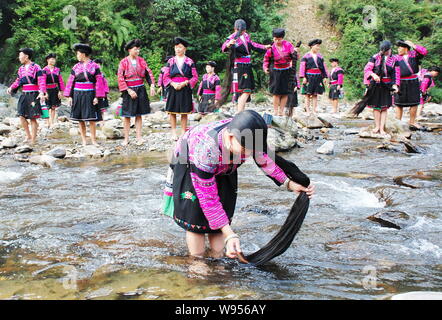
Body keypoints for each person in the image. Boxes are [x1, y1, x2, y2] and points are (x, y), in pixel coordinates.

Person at [163, 110, 315, 259]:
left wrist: (288, 183)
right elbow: (208, 199)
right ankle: (196, 260)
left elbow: (264, 160)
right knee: (196, 219)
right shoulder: (205, 150)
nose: (248, 155)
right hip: (191, 162)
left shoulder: (248, 137)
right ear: (230, 137)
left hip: (225, 165)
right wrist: (229, 234)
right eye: (244, 150)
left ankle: (217, 256)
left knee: (222, 215)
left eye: (251, 150)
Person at [222, 19, 270, 113]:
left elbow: (253, 45)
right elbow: (224, 47)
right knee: (245, 90)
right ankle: (239, 112)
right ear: (235, 29)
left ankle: (241, 111)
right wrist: (228, 44)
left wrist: (264, 47)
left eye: (244, 30)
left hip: (247, 65)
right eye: (241, 30)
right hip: (239, 65)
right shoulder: (232, 37)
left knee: (246, 90)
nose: (243, 32)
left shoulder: (246, 36)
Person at [64, 43, 106, 146]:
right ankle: (83, 140)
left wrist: (97, 96)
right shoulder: (76, 67)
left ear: (83, 54)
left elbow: (99, 82)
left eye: (78, 54)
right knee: (80, 119)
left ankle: (93, 140)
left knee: (91, 119)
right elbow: (70, 82)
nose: (77, 56)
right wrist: (70, 96)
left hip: (90, 94)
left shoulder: (95, 66)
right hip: (77, 93)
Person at [117, 39, 156, 146]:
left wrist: (152, 85)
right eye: (135, 49)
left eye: (138, 49)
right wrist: (128, 90)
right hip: (128, 90)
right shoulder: (123, 62)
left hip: (140, 89)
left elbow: (148, 73)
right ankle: (126, 138)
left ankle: (139, 137)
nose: (137, 51)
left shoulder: (142, 61)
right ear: (129, 50)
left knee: (139, 115)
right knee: (127, 115)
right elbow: (120, 78)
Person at [7, 48, 46, 145]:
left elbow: (41, 81)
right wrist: (11, 87)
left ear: (26, 56)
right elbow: (18, 81)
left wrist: (42, 92)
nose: (19, 58)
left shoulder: (36, 67)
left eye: (20, 55)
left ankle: (33, 139)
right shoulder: (21, 69)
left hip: (34, 95)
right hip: (24, 94)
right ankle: (28, 135)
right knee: (21, 116)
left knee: (33, 117)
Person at [360, 40, 399, 137]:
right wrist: (373, 75)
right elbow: (367, 70)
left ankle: (382, 128)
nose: (386, 52)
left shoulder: (395, 60)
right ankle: (377, 127)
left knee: (384, 108)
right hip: (376, 85)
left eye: (387, 50)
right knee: (376, 108)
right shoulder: (374, 57)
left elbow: (396, 74)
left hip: (387, 85)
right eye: (384, 51)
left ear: (390, 49)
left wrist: (395, 85)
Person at [163, 37, 198, 141]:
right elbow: (166, 75)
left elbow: (195, 77)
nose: (177, 49)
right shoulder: (170, 61)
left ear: (184, 49)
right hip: (173, 87)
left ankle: (183, 132)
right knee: (172, 111)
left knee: (184, 112)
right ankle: (173, 132)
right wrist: (172, 83)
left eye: (180, 47)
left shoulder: (189, 61)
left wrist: (185, 83)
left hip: (185, 87)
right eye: (176, 47)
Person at [393, 40, 428, 130]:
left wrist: (413, 45)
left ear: (406, 48)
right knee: (398, 103)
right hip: (400, 82)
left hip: (413, 81)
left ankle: (412, 121)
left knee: (414, 103)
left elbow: (424, 52)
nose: (398, 49)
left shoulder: (414, 55)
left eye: (400, 47)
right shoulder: (395, 58)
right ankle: (398, 122)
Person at [263, 28, 297, 117]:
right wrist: (265, 67)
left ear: (282, 38)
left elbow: (294, 56)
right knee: (276, 92)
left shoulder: (288, 45)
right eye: (275, 39)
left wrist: (295, 54)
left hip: (287, 71)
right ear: (273, 38)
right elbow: (266, 59)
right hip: (275, 72)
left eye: (279, 39)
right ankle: (275, 111)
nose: (277, 41)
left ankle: (281, 111)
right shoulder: (271, 48)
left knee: (285, 92)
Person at [299, 39, 328, 115]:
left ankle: (314, 110)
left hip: (318, 76)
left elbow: (323, 67)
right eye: (317, 46)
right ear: (312, 46)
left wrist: (324, 77)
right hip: (309, 76)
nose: (318, 48)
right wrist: (304, 77)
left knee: (315, 94)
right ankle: (308, 110)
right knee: (307, 94)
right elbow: (302, 67)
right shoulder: (306, 56)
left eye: (319, 46)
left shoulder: (320, 56)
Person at [42, 53, 65, 128]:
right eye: (51, 59)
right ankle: (47, 121)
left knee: (53, 107)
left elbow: (60, 81)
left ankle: (51, 122)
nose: (53, 60)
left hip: (55, 89)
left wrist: (60, 91)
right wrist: (45, 92)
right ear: (47, 60)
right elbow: (42, 82)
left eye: (54, 59)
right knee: (46, 106)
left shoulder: (57, 70)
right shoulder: (44, 70)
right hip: (47, 89)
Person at [93, 58, 110, 124]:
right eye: (97, 64)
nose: (98, 65)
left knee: (102, 108)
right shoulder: (92, 74)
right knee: (94, 107)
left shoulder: (102, 74)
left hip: (102, 93)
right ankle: (94, 121)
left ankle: (101, 121)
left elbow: (105, 84)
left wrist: (106, 92)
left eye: (99, 64)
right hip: (94, 93)